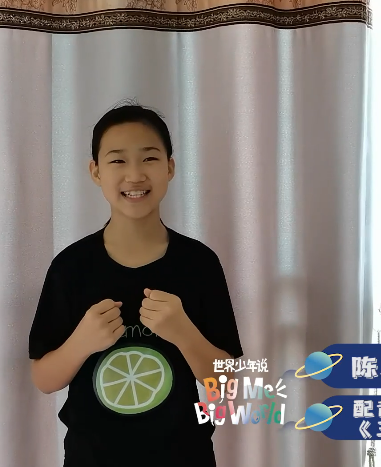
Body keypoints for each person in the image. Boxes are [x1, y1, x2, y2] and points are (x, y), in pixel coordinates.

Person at [28, 103, 243, 467]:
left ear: (170, 167)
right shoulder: (71, 267)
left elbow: (228, 387)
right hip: (91, 458)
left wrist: (183, 333)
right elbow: (43, 379)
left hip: (184, 456)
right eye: (117, 160)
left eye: (149, 158)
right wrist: (82, 342)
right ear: (95, 171)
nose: (135, 175)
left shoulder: (199, 264)